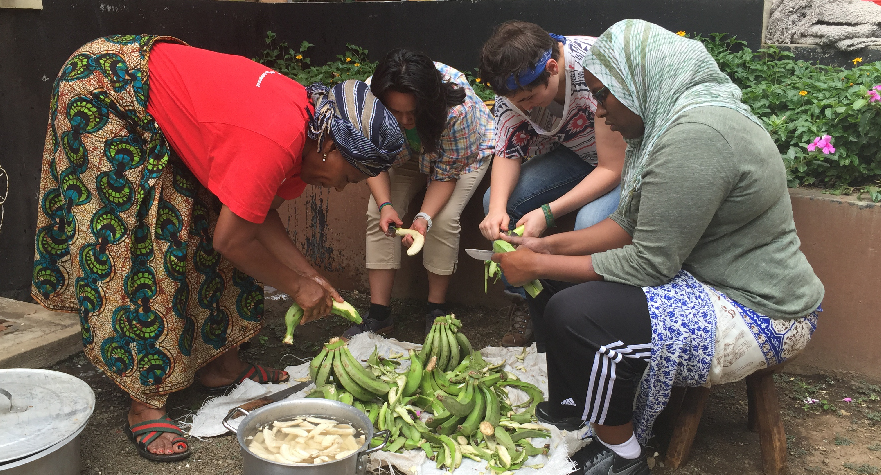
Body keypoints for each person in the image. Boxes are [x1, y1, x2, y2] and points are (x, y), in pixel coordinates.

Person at [32, 35, 403, 462]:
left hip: (155, 96)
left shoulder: (310, 135)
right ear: (332, 146)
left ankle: (220, 365)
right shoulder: (277, 139)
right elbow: (232, 241)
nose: (339, 186)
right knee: (144, 241)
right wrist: (296, 288)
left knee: (206, 218)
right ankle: (145, 400)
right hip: (107, 89)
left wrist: (310, 276)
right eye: (348, 177)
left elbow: (257, 214)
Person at [491, 20, 823, 475]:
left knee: (577, 312)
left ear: (635, 83)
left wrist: (539, 262)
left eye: (605, 96)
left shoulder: (696, 137)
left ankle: (625, 454)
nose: (601, 113)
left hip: (759, 308)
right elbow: (628, 225)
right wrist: (547, 246)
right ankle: (577, 404)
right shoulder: (666, 122)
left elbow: (649, 261)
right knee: (557, 277)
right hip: (710, 278)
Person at [477, 21, 627, 346]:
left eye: (530, 98)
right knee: (495, 202)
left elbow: (612, 169)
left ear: (553, 67)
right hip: (578, 154)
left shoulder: (593, 69)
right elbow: (507, 149)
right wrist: (499, 210)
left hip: (628, 163)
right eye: (517, 102)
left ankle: (584, 320)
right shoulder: (515, 84)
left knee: (589, 223)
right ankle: (527, 303)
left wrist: (548, 212)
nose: (524, 108)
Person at [342, 48, 494, 339]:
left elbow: (446, 174)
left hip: (462, 155)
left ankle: (436, 310)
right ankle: (379, 315)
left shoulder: (456, 111)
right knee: (378, 213)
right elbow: (372, 161)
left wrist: (423, 217)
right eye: (396, 112)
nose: (406, 120)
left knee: (444, 219)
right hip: (406, 155)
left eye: (413, 112)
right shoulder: (369, 102)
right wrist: (387, 205)